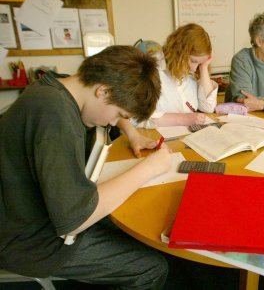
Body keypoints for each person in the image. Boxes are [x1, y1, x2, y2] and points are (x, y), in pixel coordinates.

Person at [0, 46, 172, 289]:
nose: (114, 122)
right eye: (118, 115)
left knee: (136, 217)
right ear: (103, 91)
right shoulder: (54, 119)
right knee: (152, 269)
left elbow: (112, 105)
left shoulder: (62, 85)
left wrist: (130, 132)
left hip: (37, 210)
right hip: (30, 240)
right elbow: (74, 219)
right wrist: (149, 168)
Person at [130, 23, 218, 129]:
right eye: (193, 61)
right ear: (179, 53)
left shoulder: (191, 76)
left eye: (198, 64)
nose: (194, 69)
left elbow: (208, 108)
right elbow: (134, 119)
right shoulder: (153, 72)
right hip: (157, 138)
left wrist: (203, 67)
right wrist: (183, 119)